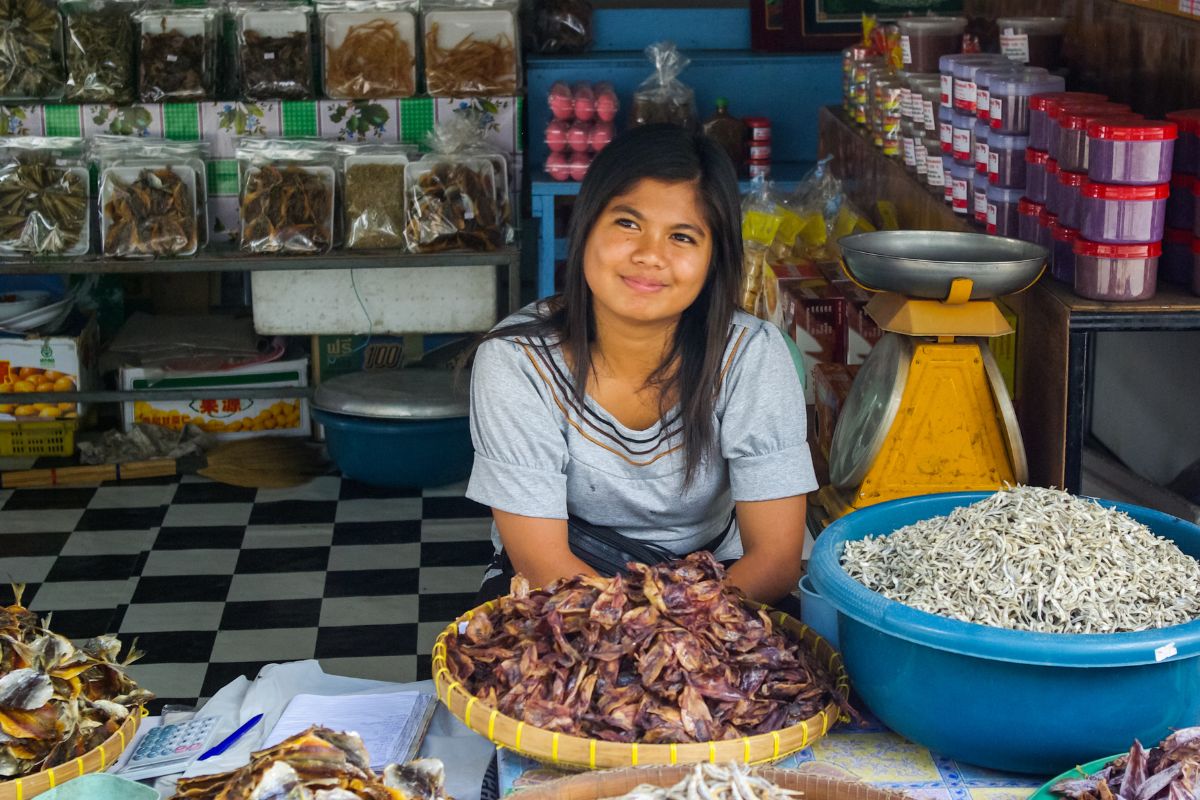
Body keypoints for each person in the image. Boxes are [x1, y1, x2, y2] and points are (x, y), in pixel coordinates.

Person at [466, 124, 816, 612]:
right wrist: (639, 642)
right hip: (565, 583)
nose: (651, 255)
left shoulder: (752, 355)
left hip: (723, 586)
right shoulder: (517, 361)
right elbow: (542, 559)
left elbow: (775, 559)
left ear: (714, 258)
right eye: (627, 223)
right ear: (585, 226)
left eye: (682, 236)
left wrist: (677, 639)